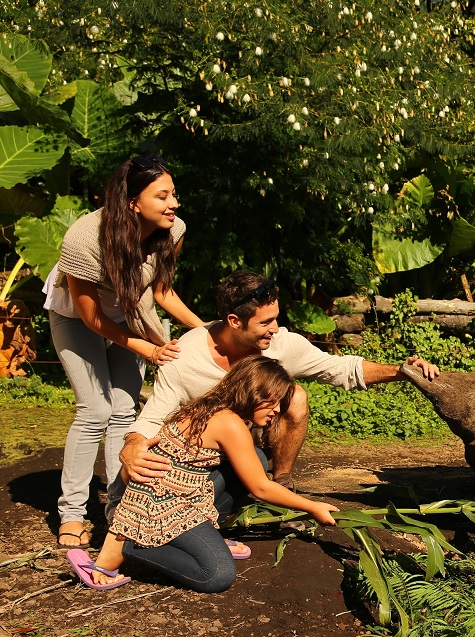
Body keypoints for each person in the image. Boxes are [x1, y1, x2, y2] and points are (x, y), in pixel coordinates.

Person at [115, 270, 439, 512]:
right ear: (234, 320)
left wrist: (401, 371)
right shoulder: (185, 357)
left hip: (245, 446)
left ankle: (279, 484)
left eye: (276, 318)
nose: (275, 328)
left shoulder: (279, 344)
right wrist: (131, 446)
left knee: (296, 397)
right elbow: (153, 418)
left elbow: (340, 368)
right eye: (265, 322)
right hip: (200, 455)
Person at [66, 356, 339, 591]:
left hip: (179, 490)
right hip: (162, 505)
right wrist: (312, 507)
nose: (277, 410)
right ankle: (131, 546)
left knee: (253, 458)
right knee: (217, 574)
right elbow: (260, 488)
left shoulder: (217, 408)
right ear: (254, 392)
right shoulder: (229, 424)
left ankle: (191, 537)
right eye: (273, 402)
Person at [45, 154, 205, 548]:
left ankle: (120, 507)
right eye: (162, 195)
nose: (174, 204)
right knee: (95, 409)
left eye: (174, 194)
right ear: (133, 202)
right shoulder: (85, 238)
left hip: (133, 311)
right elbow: (91, 316)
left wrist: (207, 331)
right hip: (78, 316)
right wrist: (148, 349)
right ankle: (73, 512)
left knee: (124, 411)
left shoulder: (173, 230)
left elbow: (162, 291)